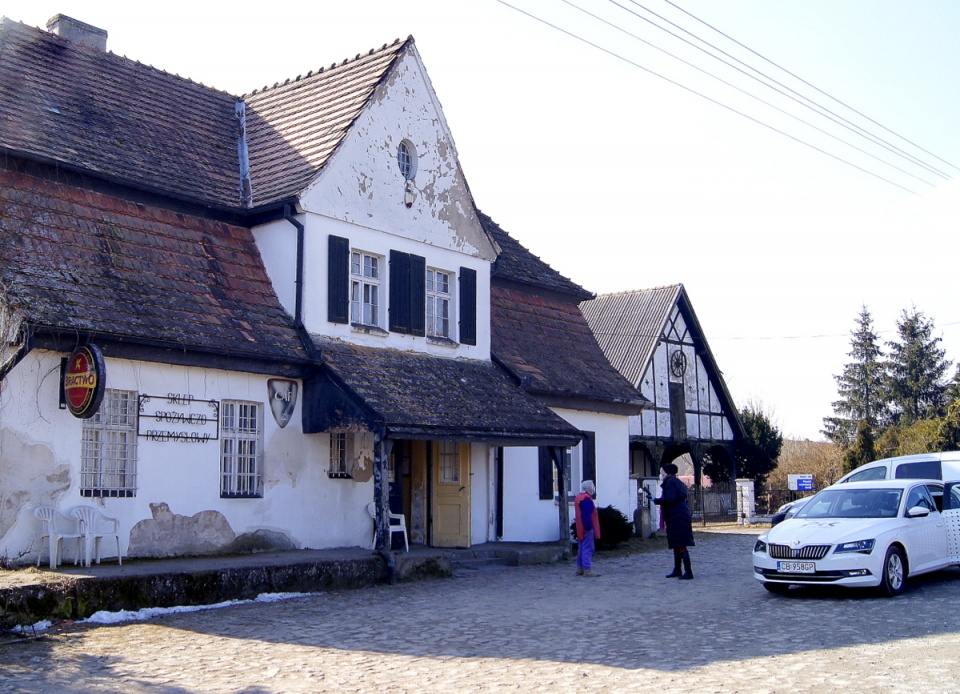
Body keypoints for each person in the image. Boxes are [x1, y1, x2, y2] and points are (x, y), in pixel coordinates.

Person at [653, 463, 695, 579]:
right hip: (680, 514)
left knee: (680, 544)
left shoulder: (670, 483)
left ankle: (688, 571)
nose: (661, 474)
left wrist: (656, 500)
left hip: (676, 516)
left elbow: (669, 499)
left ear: (667, 473)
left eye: (662, 472)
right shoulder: (677, 482)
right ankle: (677, 569)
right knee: (677, 544)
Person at [574, 480, 601, 577]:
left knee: (582, 548)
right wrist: (589, 527)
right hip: (586, 528)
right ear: (589, 488)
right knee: (588, 548)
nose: (593, 488)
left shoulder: (580, 498)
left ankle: (580, 568)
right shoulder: (586, 500)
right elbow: (586, 515)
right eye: (592, 486)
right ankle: (587, 569)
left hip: (580, 527)